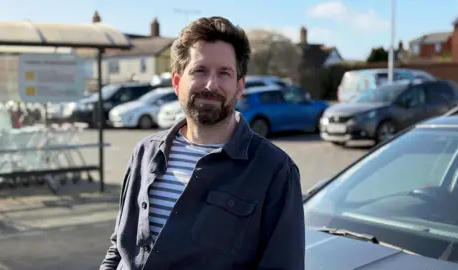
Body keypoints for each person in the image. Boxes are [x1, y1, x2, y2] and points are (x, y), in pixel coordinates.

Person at [100, 16, 305, 270]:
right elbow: (119, 247)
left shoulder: (275, 171)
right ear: (177, 82)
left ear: (239, 87)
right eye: (200, 70)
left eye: (224, 73)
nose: (211, 85)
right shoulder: (145, 153)